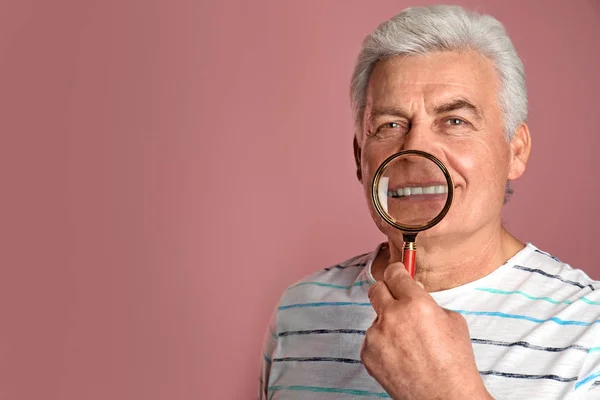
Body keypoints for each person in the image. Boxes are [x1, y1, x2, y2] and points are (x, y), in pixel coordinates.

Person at [258, 5, 600, 399]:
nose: (416, 148)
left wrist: (442, 391)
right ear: (360, 159)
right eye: (390, 125)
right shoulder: (297, 312)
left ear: (515, 151)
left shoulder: (589, 327)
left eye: (454, 121)